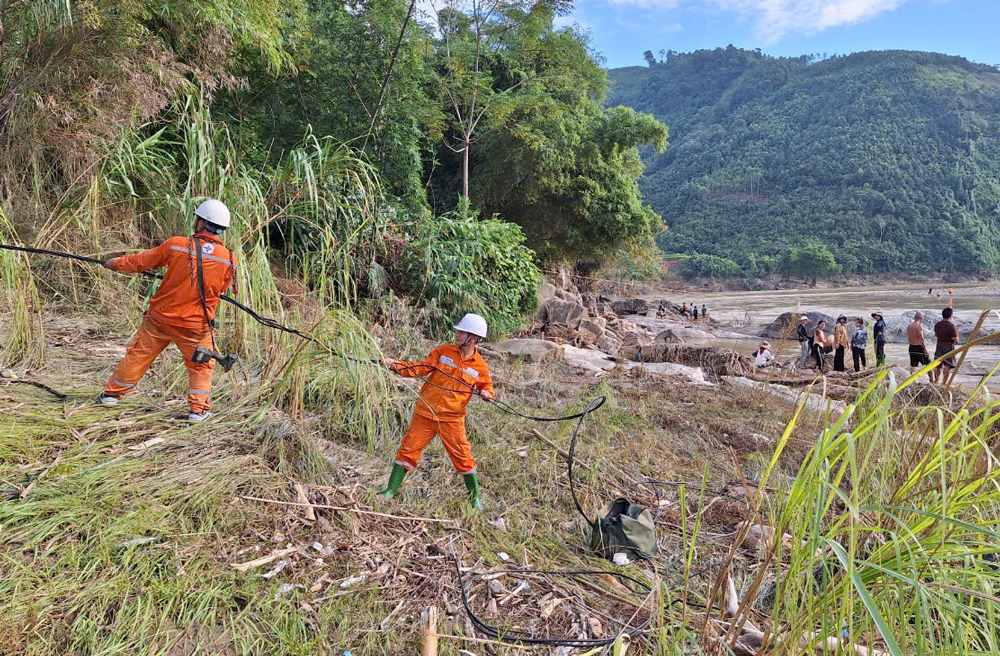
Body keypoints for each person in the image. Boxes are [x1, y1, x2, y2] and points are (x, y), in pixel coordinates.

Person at [99, 199, 237, 422]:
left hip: (160, 320)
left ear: (202, 222)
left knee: (138, 356)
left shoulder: (176, 245)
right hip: (196, 326)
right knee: (201, 367)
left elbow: (141, 261)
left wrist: (113, 263)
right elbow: (219, 288)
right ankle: (198, 411)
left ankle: (111, 395)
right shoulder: (229, 259)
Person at [379, 314, 495, 509]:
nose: (457, 334)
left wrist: (487, 394)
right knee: (408, 450)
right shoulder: (443, 352)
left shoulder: (480, 366)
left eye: (462, 332)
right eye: (458, 331)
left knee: (463, 457)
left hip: (452, 420)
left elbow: (487, 387)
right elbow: (421, 368)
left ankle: (474, 499)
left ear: (473, 338)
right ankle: (390, 490)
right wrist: (394, 365)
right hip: (425, 413)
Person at [933, 307, 960, 384]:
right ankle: (944, 383)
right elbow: (955, 339)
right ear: (951, 316)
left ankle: (936, 381)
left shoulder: (937, 325)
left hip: (939, 346)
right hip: (948, 347)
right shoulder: (951, 326)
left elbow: (936, 335)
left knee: (937, 365)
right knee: (947, 365)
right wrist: (957, 337)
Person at [907, 312, 932, 381]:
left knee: (913, 365)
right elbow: (921, 339)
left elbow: (909, 338)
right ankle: (931, 380)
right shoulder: (918, 326)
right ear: (921, 318)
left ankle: (911, 380)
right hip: (919, 347)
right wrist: (925, 350)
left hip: (911, 347)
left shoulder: (909, 326)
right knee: (928, 364)